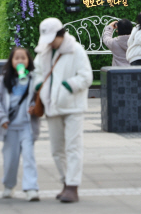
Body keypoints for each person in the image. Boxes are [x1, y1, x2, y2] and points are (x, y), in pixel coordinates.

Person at [33, 18, 92, 203]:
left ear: (61, 34)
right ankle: (66, 182)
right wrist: (38, 87)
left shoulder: (77, 50)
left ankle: (73, 186)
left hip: (73, 106)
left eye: (53, 38)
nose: (50, 42)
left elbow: (86, 77)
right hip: (51, 105)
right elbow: (37, 72)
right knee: (56, 149)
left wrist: (67, 86)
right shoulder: (44, 51)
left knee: (73, 147)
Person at [0, 47, 41, 202]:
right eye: (16, 58)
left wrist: (35, 106)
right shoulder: (3, 80)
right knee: (10, 159)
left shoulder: (34, 79)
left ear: (28, 61)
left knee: (29, 157)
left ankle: (31, 188)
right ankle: (9, 186)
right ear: (11, 62)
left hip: (27, 126)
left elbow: (39, 98)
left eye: (23, 58)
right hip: (9, 126)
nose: (20, 61)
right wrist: (1, 117)